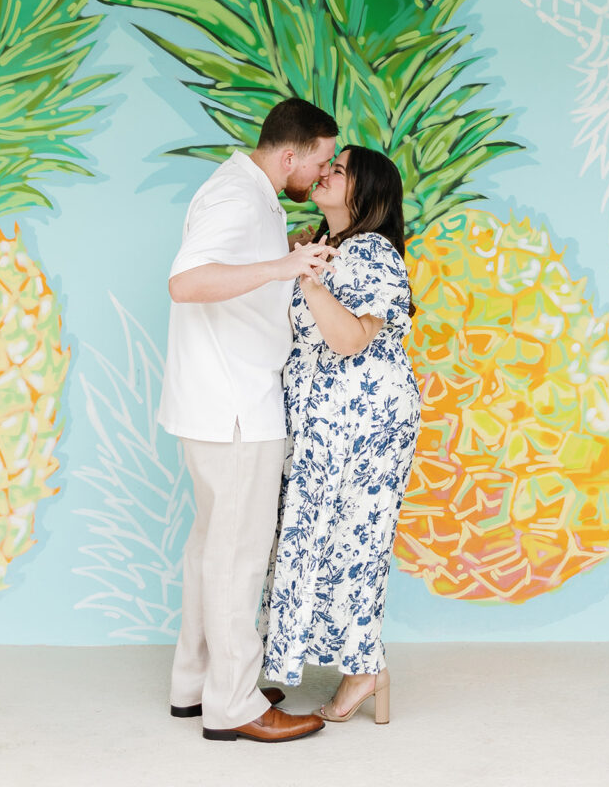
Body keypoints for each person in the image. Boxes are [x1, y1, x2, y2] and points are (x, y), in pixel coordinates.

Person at [158, 98, 338, 743]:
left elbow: (231, 279)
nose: (321, 176)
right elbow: (187, 282)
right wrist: (287, 266)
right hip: (233, 406)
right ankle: (233, 707)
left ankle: (196, 684)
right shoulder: (238, 197)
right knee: (235, 559)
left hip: (218, 399)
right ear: (290, 153)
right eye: (318, 161)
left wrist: (278, 259)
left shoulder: (249, 194)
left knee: (212, 549)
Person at [260, 145, 421, 724]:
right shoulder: (325, 247)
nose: (326, 171)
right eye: (329, 163)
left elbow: (352, 339)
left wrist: (309, 282)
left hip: (363, 424)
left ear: (367, 191)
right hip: (321, 422)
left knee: (355, 545)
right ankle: (287, 663)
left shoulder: (373, 252)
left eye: (341, 168)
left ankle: (364, 671)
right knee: (309, 539)